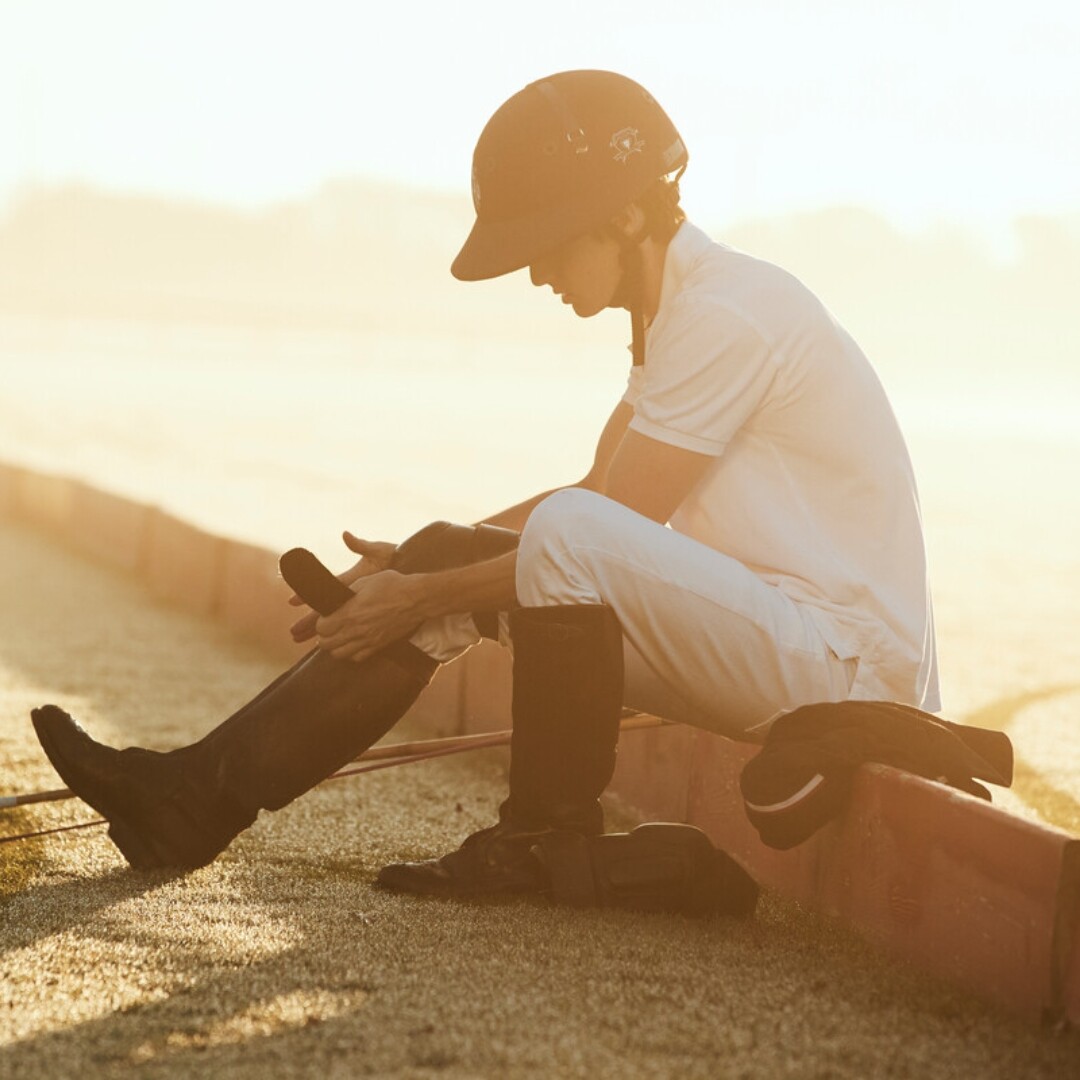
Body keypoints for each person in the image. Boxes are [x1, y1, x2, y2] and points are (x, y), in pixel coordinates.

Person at [31, 70, 938, 903]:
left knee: (516, 553)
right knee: (450, 546)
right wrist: (420, 566)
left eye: (544, 244)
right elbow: (594, 499)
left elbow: (602, 526)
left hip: (842, 672)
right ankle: (190, 800)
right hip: (773, 642)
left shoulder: (730, 314)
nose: (536, 272)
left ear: (625, 219)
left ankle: (543, 837)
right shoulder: (677, 314)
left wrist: (419, 598)